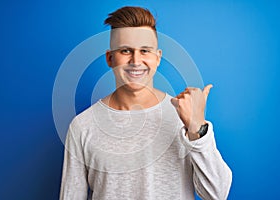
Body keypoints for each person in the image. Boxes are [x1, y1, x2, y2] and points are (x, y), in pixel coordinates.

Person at [60, 6, 232, 200]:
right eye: (125, 51)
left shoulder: (183, 117)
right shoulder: (82, 126)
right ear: (110, 58)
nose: (136, 60)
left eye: (145, 51)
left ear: (157, 57)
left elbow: (217, 194)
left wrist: (197, 130)